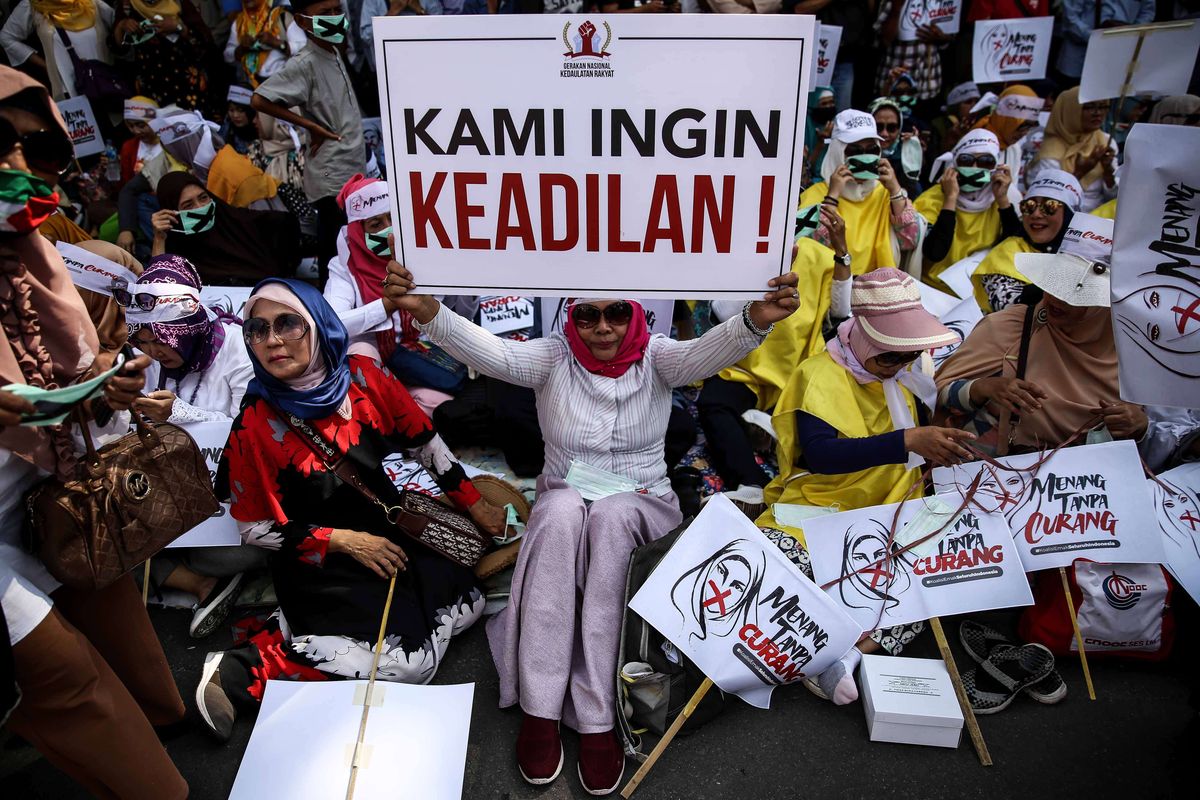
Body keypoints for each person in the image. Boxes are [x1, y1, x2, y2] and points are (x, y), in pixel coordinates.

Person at [382, 257, 800, 794]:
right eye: (588, 316)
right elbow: (495, 351)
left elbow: (706, 351)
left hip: (642, 506)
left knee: (611, 515)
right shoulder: (552, 357)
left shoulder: (659, 357)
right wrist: (427, 311)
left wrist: (756, 318)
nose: (603, 327)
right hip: (567, 501)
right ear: (569, 319)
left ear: (637, 316)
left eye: (617, 313)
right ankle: (540, 709)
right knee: (557, 512)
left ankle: (600, 716)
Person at [194, 279, 506, 741]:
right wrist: (342, 542)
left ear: (319, 324)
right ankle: (247, 669)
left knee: (466, 608)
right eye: (257, 330)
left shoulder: (362, 375)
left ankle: (286, 631)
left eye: (287, 323)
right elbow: (252, 529)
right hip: (323, 560)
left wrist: (472, 502)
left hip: (391, 532)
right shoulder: (255, 423)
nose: (273, 340)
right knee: (408, 666)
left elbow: (424, 442)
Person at [0, 65, 186, 799]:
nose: (15, 169)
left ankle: (165, 719)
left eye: (30, 149)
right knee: (65, 675)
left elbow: (72, 366)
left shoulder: (39, 258)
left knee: (118, 620)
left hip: (59, 493)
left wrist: (112, 382)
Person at [754, 268, 970, 706]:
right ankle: (820, 648)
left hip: (889, 510)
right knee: (771, 569)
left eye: (908, 355)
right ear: (864, 339)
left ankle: (849, 656)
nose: (901, 366)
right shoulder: (819, 374)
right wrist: (907, 441)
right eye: (890, 356)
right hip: (817, 510)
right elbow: (821, 457)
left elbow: (925, 430)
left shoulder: (905, 377)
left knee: (924, 582)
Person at [122, 253, 263, 637]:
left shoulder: (239, 349)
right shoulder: (148, 359)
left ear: (185, 328)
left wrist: (180, 413)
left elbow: (251, 431)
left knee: (242, 548)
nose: (154, 352)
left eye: (160, 341)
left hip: (227, 514)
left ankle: (191, 577)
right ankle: (199, 583)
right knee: (107, 540)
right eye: (144, 342)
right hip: (166, 505)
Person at [937, 213, 1147, 455]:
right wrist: (983, 388)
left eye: (1077, 293)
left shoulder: (1138, 346)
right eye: (1055, 283)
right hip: (1006, 476)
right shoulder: (1011, 326)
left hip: (1094, 482)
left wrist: (1141, 426)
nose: (1057, 298)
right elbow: (940, 394)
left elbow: (1180, 431)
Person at [699, 231, 842, 514]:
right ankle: (751, 484)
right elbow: (719, 310)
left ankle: (785, 466)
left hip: (797, 368)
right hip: (742, 364)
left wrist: (843, 256)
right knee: (713, 403)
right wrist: (762, 278)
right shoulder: (740, 247)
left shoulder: (822, 255)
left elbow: (840, 311)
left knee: (816, 423)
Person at [253, 0, 366, 282]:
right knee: (335, 249)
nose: (334, 17)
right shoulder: (305, 63)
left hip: (350, 165)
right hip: (332, 171)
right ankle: (330, 310)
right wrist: (310, 126)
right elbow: (260, 98)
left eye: (336, 10)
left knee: (350, 244)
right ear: (303, 23)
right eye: (324, 13)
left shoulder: (333, 50)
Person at [801, 109, 921, 274]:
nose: (865, 157)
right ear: (838, 151)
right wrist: (832, 197)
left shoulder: (885, 192)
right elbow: (809, 247)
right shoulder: (816, 194)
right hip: (831, 289)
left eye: (872, 150)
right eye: (855, 151)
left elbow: (910, 240)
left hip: (879, 290)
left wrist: (895, 189)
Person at [915, 129, 1022, 293]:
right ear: (954, 164)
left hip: (978, 293)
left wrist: (1002, 200)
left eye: (986, 162)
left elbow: (1015, 248)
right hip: (933, 290)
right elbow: (934, 252)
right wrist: (950, 199)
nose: (974, 167)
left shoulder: (1004, 198)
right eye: (966, 160)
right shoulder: (930, 199)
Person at [150, 171, 301, 285]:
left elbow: (286, 224)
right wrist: (159, 238)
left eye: (203, 198)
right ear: (172, 212)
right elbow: (158, 285)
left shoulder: (237, 222)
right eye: (188, 205)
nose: (200, 207)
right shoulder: (174, 245)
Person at [970, 169, 1082, 313]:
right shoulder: (1008, 251)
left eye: (1050, 206)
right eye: (1029, 205)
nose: (1036, 214)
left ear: (1069, 215)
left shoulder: (1084, 255)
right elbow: (1004, 302)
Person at [111, 0, 217, 112]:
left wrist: (178, 26)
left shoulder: (179, 3)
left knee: (190, 125)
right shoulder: (127, 5)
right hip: (149, 86)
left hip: (186, 85)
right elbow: (117, 48)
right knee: (154, 127)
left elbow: (205, 41)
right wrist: (122, 26)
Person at [0, 0, 116, 101]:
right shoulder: (33, 5)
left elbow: (118, 26)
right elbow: (6, 37)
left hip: (106, 84)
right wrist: (46, 65)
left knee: (120, 124)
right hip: (67, 90)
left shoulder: (91, 2)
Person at [1027, 87, 1118, 212]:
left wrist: (1108, 170)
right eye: (1089, 107)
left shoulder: (1105, 142)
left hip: (1099, 220)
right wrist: (1080, 172)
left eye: (1102, 107)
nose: (1098, 113)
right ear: (1070, 110)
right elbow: (1046, 203)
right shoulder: (1051, 152)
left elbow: (1114, 197)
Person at [973, 85, 1043, 180]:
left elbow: (1012, 186)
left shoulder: (1014, 149)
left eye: (1031, 126)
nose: (1025, 133)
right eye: (1023, 125)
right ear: (1007, 119)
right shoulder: (974, 145)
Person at [226, 0, 294, 88]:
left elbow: (303, 49)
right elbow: (227, 56)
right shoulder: (239, 23)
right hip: (250, 88)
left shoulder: (281, 16)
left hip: (282, 84)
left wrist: (275, 42)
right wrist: (241, 48)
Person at [118, 97, 163, 188]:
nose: (136, 131)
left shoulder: (172, 144)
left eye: (141, 125)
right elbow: (127, 183)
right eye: (131, 126)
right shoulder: (129, 147)